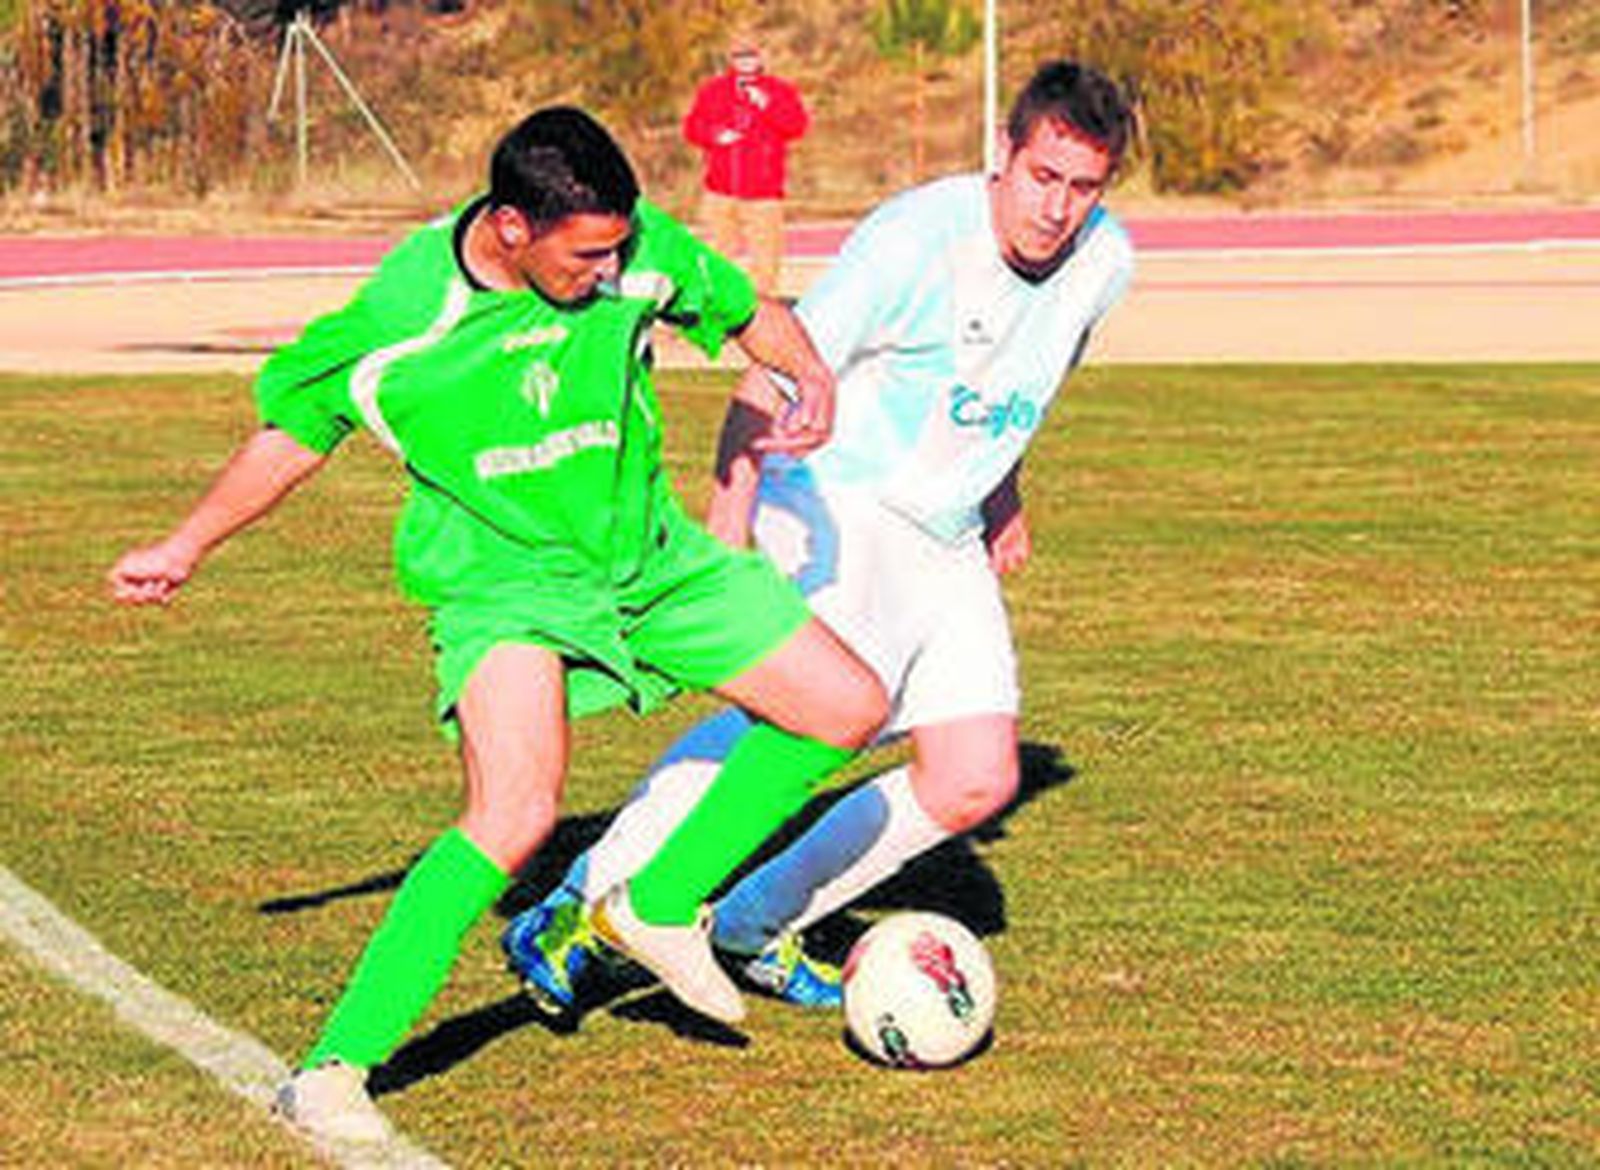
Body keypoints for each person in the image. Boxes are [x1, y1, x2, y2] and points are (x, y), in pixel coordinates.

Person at [107, 107, 887, 1144]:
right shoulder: (406, 313)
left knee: (846, 705)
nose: (610, 272)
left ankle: (655, 905)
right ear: (512, 228)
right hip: (501, 585)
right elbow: (295, 434)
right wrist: (185, 545)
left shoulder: (634, 250)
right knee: (516, 810)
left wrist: (812, 374)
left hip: (650, 559)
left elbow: (743, 307)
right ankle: (335, 1068)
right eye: (586, 256)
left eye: (618, 249)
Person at [504, 60, 1136, 1012]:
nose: (1058, 207)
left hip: (945, 531)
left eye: (1083, 187)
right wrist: (731, 516)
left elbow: (1034, 371)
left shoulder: (1106, 259)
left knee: (972, 777)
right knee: (801, 714)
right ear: (1004, 153)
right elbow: (772, 368)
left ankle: (751, 924)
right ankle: (580, 906)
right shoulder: (915, 240)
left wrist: (1003, 491)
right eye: (1043, 176)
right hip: (842, 500)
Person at [682, 36, 808, 297]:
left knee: (765, 259)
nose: (746, 61)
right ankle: (717, 305)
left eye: (751, 55)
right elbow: (692, 128)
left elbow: (797, 126)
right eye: (740, 56)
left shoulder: (779, 90)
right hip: (720, 190)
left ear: (761, 58)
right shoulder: (713, 91)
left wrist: (767, 105)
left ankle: (761, 307)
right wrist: (715, 135)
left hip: (763, 192)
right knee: (716, 256)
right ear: (731, 59)